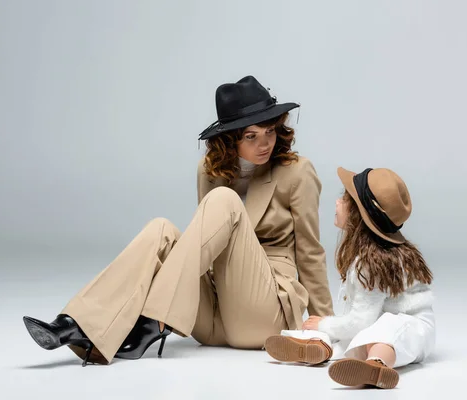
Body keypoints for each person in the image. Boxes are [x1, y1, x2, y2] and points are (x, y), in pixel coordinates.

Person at [22, 75, 334, 366]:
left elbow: (310, 252)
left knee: (224, 202)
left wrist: (326, 326)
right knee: (161, 230)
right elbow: (204, 245)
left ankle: (154, 321)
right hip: (212, 323)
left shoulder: (297, 172)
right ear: (229, 140)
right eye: (251, 136)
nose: (264, 143)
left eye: (269, 131)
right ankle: (77, 324)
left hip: (264, 314)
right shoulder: (209, 171)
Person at [264, 166, 435, 389]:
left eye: (344, 199)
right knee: (350, 338)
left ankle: (377, 365)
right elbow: (361, 320)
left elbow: (360, 321)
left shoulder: (373, 264)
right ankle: (318, 347)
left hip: (413, 328)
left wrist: (323, 323)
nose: (337, 202)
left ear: (358, 215)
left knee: (384, 333)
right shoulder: (367, 255)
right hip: (374, 319)